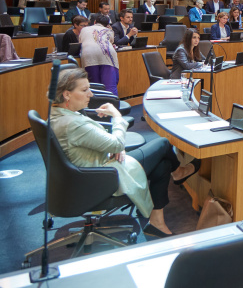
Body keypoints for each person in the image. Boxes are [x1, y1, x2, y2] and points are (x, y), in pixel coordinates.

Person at [50, 68, 200, 238]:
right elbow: (116, 143)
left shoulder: (59, 115)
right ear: (67, 94)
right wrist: (116, 115)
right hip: (102, 176)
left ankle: (157, 222)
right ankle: (179, 172)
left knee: (163, 164)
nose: (90, 94)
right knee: (164, 144)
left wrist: (116, 146)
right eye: (84, 90)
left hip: (88, 172)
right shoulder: (73, 124)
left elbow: (107, 143)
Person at [80, 15, 119, 95]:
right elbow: (111, 42)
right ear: (108, 25)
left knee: (94, 84)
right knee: (109, 85)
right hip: (107, 55)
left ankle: (94, 104)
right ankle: (112, 104)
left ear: (94, 22)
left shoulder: (84, 29)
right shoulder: (109, 30)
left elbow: (81, 42)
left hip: (89, 54)